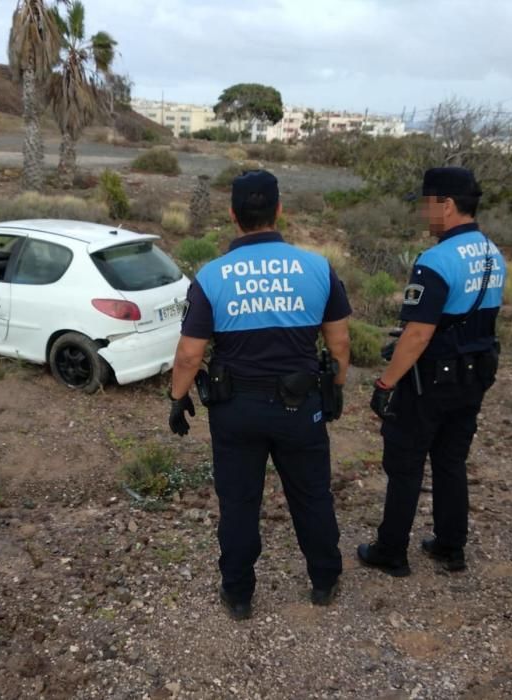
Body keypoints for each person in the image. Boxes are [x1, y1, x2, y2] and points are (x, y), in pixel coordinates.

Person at [167, 170, 352, 620]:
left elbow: (191, 354)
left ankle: (239, 593)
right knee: (311, 495)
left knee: (239, 502)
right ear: (279, 211)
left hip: (236, 411)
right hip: (300, 406)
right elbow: (340, 344)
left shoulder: (211, 276)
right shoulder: (317, 268)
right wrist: (336, 389)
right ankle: (325, 580)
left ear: (232, 215)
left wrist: (178, 398)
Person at [358, 166, 505, 577]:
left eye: (427, 204)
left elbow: (419, 333)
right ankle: (450, 545)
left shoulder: (436, 260)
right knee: (451, 460)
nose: (424, 213)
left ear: (448, 204)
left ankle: (391, 550)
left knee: (405, 464)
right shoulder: (493, 252)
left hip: (431, 381)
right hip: (474, 376)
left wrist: (387, 380)